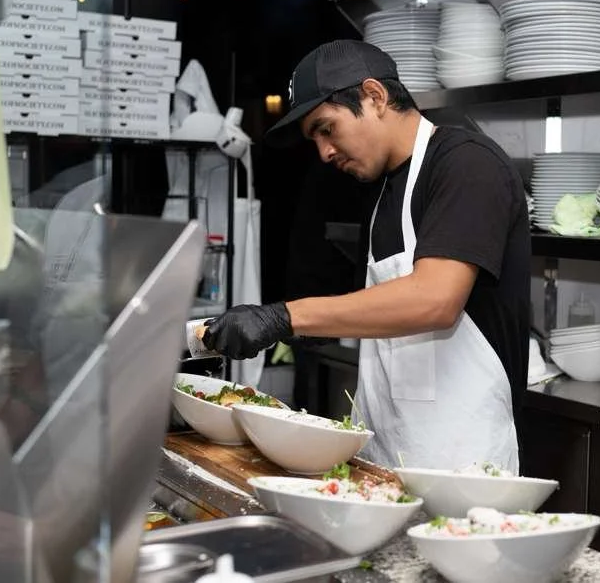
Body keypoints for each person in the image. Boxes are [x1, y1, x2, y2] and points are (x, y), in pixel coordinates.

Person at [201, 40, 530, 472]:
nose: (323, 153)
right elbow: (383, 315)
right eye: (314, 140)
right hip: (384, 462)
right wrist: (295, 331)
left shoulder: (467, 164)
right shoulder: (381, 194)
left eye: (326, 129)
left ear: (374, 97)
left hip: (464, 475)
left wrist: (283, 317)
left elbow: (434, 299)